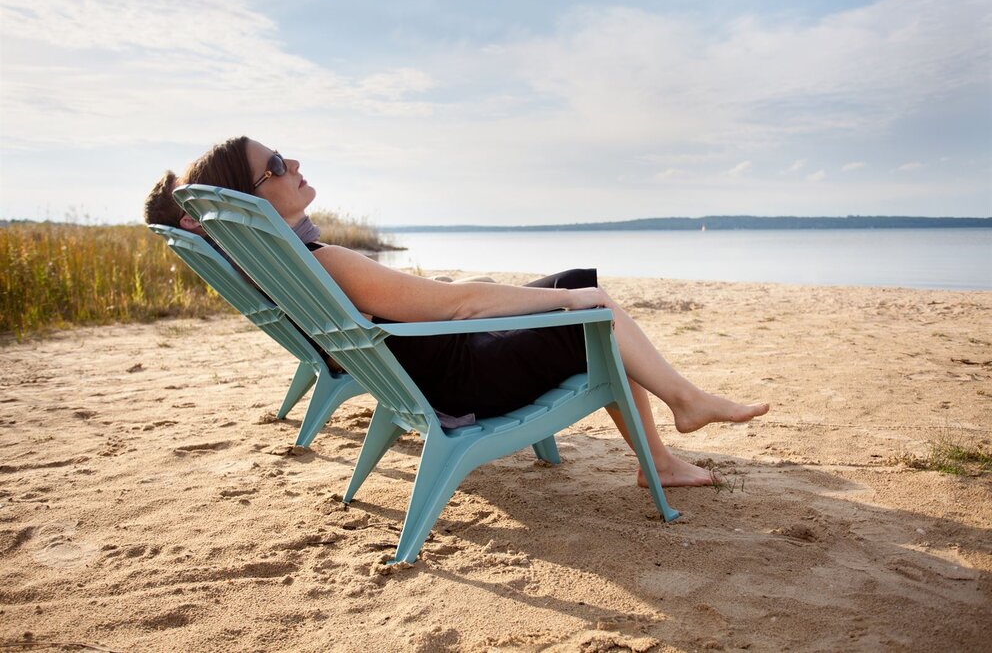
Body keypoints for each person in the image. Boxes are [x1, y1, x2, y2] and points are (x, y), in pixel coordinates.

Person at [145, 136, 769, 488]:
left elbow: (436, 304)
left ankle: (662, 444)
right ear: (249, 201)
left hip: (426, 376)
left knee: (575, 287)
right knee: (591, 305)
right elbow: (461, 305)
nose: (294, 164)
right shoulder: (325, 260)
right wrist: (571, 303)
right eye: (275, 168)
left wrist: (530, 292)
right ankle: (679, 413)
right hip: (462, 385)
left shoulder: (287, 269)